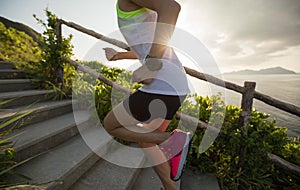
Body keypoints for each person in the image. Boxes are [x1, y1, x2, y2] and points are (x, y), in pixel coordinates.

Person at [103, 0, 191, 189]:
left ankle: (172, 141)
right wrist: (118, 56)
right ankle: (170, 187)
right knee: (146, 138)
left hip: (162, 86)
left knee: (111, 125)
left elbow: (171, 7)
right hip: (174, 87)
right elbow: (144, 47)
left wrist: (151, 65)